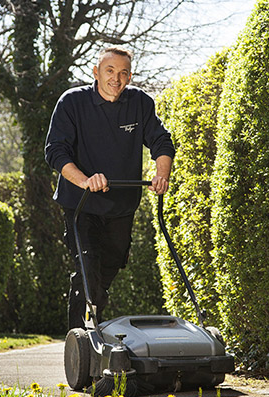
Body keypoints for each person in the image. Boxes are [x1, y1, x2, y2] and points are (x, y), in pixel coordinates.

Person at [45, 46, 175, 331]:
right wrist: (85, 181)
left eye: (123, 72)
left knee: (106, 272)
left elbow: (162, 142)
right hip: (81, 206)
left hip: (121, 207)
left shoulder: (139, 103)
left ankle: (95, 331)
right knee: (87, 269)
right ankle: (77, 339)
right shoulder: (72, 102)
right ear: (96, 73)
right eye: (110, 71)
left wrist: (161, 174)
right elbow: (56, 152)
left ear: (129, 77)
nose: (117, 78)